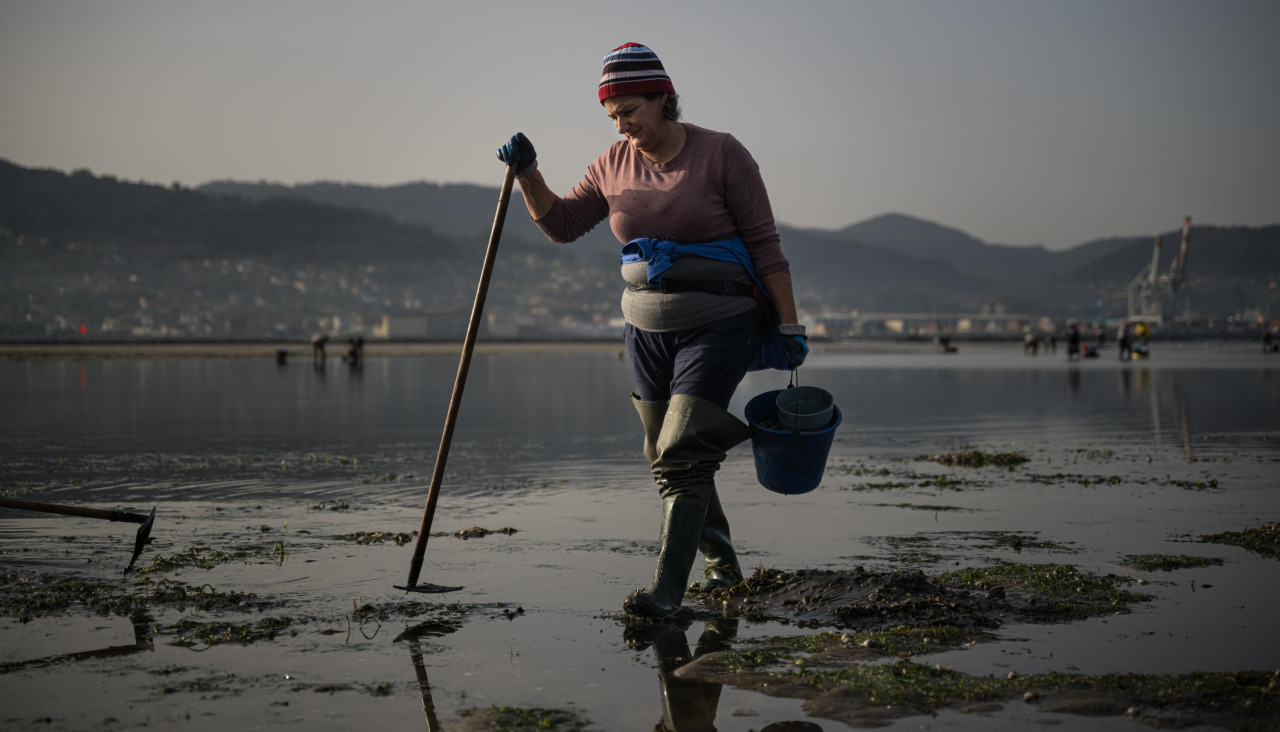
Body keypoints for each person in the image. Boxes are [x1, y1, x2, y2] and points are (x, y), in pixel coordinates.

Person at [497, 42, 806, 619]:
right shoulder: (611, 163)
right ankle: (721, 566)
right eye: (613, 115)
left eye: (631, 109)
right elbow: (563, 225)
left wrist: (790, 323)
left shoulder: (721, 154)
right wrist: (528, 174)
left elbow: (766, 246)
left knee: (682, 448)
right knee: (660, 450)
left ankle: (667, 592)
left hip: (721, 318)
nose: (623, 123)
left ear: (664, 97)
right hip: (645, 326)